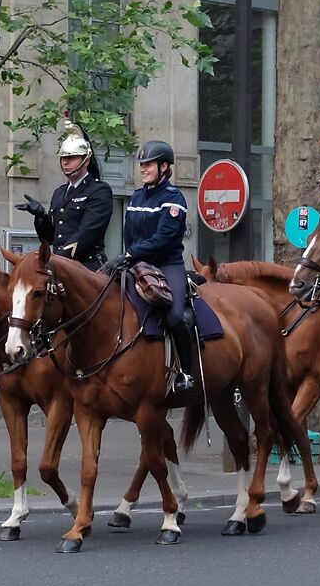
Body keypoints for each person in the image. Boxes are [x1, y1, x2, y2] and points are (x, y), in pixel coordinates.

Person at [110, 139, 200, 393]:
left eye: (148, 164)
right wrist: (126, 259)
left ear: (164, 167)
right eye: (142, 164)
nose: (143, 169)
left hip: (166, 265)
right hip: (137, 264)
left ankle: (186, 372)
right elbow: (130, 233)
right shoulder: (137, 197)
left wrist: (130, 255)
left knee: (174, 315)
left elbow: (164, 238)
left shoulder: (174, 199)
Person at [17, 120, 113, 269]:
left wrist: (56, 259)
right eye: (63, 158)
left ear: (86, 161)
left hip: (86, 268)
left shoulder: (99, 190)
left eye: (71, 158)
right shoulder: (59, 192)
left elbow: (87, 234)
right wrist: (41, 217)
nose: (65, 163)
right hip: (60, 267)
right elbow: (49, 238)